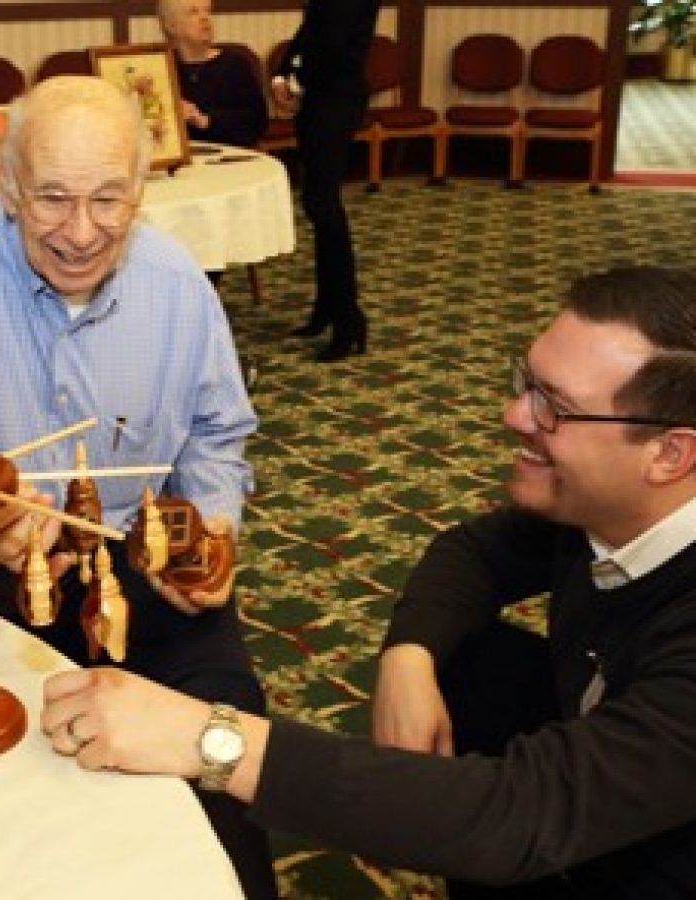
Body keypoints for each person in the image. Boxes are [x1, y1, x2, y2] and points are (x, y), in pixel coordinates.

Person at [41, 266, 696, 897]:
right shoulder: (600, 510)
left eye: (554, 406)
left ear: (670, 454)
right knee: (465, 658)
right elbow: (475, 553)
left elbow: (518, 815)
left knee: (503, 818)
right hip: (617, 769)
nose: (513, 414)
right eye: (528, 382)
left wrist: (210, 738)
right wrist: (411, 656)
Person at [0, 76, 278, 900]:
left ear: (140, 189)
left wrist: (212, 531)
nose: (81, 232)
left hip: (140, 562)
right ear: (8, 186)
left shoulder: (177, 284)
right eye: (52, 198)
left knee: (224, 760)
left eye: (107, 199)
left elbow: (216, 435)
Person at [272, 1, 382, 363]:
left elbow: (332, 47)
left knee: (324, 204)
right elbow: (309, 32)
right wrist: (283, 74)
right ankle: (327, 308)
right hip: (320, 98)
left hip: (336, 99)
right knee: (317, 204)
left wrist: (293, 81)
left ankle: (349, 320)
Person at [158, 0, 268, 149]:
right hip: (180, 160)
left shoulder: (235, 64)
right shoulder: (161, 66)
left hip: (231, 157)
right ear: (171, 26)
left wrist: (205, 120)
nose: (204, 18)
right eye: (193, 12)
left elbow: (257, 122)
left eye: (207, 11)